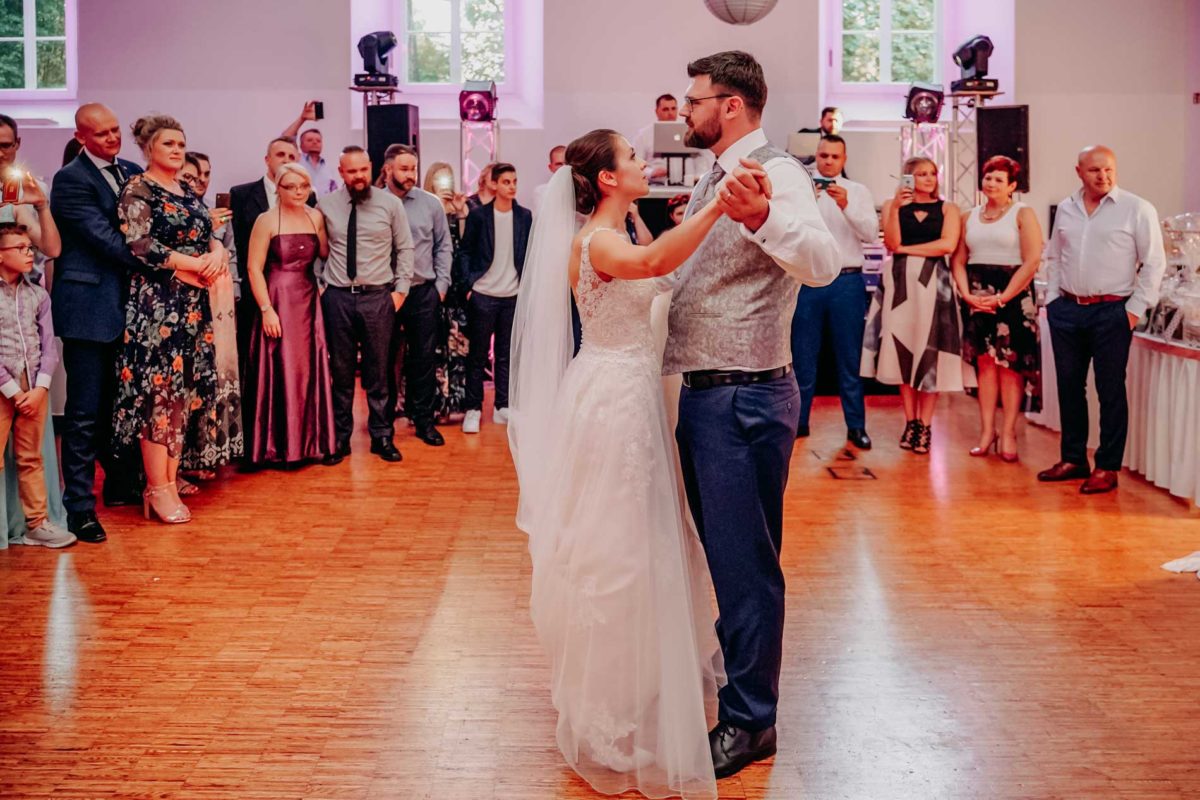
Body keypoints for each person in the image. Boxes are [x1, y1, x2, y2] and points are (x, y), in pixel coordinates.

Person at [509, 128, 744, 799]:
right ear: (607, 179)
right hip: (613, 400)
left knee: (639, 541)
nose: (644, 161)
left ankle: (634, 683)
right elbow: (656, 264)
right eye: (633, 156)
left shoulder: (613, 234)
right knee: (616, 547)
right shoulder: (601, 243)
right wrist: (718, 206)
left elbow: (659, 266)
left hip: (628, 392)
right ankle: (606, 703)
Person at [666, 51, 840, 779]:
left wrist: (765, 214)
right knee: (725, 558)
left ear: (730, 104)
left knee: (747, 567)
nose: (686, 108)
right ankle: (737, 682)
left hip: (743, 393)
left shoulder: (781, 173)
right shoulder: (714, 172)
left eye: (695, 98)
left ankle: (750, 722)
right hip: (708, 391)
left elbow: (824, 260)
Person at [112, 115, 229, 525]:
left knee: (184, 394)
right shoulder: (138, 188)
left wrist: (216, 252)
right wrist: (190, 263)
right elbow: (139, 243)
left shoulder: (186, 189)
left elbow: (207, 229)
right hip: (157, 304)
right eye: (169, 145)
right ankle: (156, 486)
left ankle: (171, 479)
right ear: (148, 149)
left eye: (181, 143)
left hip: (194, 304)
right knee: (158, 396)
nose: (178, 150)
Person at [1037, 145, 1166, 494]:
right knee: (1068, 387)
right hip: (1067, 310)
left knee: (1110, 390)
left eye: (1109, 169)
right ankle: (1074, 458)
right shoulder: (1066, 207)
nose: (1103, 176)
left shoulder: (1137, 209)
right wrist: (1051, 301)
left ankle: (1107, 466)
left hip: (1112, 311)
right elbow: (1056, 257)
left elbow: (1154, 263)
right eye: (1094, 170)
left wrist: (1134, 310)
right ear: (1079, 172)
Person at [50, 103, 146, 543]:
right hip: (88, 304)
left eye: (115, 130)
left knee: (119, 403)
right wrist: (160, 259)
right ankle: (80, 509)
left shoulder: (131, 170)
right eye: (102, 133)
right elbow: (103, 238)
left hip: (130, 305)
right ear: (82, 136)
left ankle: (122, 483)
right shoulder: (69, 180)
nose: (113, 139)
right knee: (84, 413)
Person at [317, 146, 414, 465]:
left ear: (371, 168)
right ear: (341, 172)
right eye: (351, 171)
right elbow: (318, 249)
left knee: (379, 370)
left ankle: (382, 435)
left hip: (378, 297)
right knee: (340, 370)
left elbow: (405, 248)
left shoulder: (390, 204)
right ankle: (340, 438)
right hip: (338, 298)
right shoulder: (326, 205)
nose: (358, 176)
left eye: (362, 170)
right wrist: (322, 287)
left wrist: (399, 292)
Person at [863, 156, 963, 455]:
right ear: (908, 177)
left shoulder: (949, 208)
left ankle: (927, 424)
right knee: (902, 350)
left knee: (929, 353)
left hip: (934, 284)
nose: (929, 178)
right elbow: (891, 242)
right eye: (921, 174)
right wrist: (894, 205)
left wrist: (907, 249)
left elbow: (947, 245)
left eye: (932, 173)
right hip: (900, 284)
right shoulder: (893, 205)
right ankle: (911, 422)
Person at [951, 155, 1044, 462]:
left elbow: (1032, 260)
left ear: (1012, 186)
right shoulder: (969, 216)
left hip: (1013, 296)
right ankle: (986, 431)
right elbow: (959, 260)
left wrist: (1004, 297)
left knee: (1010, 367)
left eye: (999, 179)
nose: (991, 183)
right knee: (985, 366)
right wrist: (966, 294)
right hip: (978, 296)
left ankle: (1008, 433)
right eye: (988, 177)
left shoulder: (1023, 213)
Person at [243, 163, 336, 467]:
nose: (298, 192)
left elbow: (324, 254)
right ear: (279, 189)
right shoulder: (266, 220)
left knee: (307, 368)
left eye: (303, 186)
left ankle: (310, 444)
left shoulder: (315, 216)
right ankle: (276, 447)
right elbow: (253, 268)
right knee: (279, 366)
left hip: (308, 298)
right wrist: (266, 309)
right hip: (277, 297)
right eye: (291, 187)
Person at [791, 135, 878, 448]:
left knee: (849, 359)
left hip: (847, 282)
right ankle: (798, 424)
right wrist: (810, 203)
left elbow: (870, 233)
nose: (828, 161)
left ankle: (856, 426)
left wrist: (846, 206)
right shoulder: (801, 190)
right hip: (808, 281)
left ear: (844, 159)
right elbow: (790, 231)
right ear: (816, 156)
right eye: (823, 155)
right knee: (802, 358)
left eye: (834, 157)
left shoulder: (858, 191)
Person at [0, 223, 74, 548]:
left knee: (31, 457)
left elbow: (48, 345)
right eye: (20, 247)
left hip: (33, 387)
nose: (29, 253)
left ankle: (37, 523)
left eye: (30, 247)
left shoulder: (38, 294)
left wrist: (40, 388)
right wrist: (12, 391)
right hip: (6, 388)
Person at [230, 137, 312, 416]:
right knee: (261, 367)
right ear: (267, 159)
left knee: (299, 367)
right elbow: (240, 249)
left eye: (292, 155)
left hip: (301, 299)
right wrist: (261, 303)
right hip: (259, 295)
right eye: (280, 154)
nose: (286, 159)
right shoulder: (242, 195)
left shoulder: (310, 204)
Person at [177, 152, 242, 485]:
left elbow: (229, 255)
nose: (200, 181)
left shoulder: (215, 216)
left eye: (205, 174)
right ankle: (176, 467)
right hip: (182, 298)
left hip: (216, 301)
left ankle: (205, 454)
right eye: (191, 176)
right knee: (184, 384)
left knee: (210, 381)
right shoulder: (177, 213)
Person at [381, 144, 452, 447]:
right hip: (384, 292)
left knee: (423, 359)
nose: (411, 174)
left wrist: (441, 287)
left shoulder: (430, 204)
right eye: (404, 168)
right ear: (388, 170)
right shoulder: (374, 203)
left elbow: (443, 245)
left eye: (413, 168)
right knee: (382, 358)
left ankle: (423, 420)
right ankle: (382, 425)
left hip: (423, 291)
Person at [460, 163, 531, 433]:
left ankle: (503, 405)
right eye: (506, 182)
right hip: (484, 294)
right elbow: (465, 252)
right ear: (494, 185)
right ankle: (473, 408)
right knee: (477, 355)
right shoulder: (479, 216)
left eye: (514, 181)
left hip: (511, 296)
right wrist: (469, 285)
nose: (512, 186)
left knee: (505, 354)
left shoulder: (524, 216)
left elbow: (527, 253)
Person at [423, 161, 470, 419]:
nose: (445, 186)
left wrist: (461, 213)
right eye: (440, 181)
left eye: (448, 181)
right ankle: (432, 404)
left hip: (455, 291)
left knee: (457, 346)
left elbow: (465, 247)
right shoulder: (424, 209)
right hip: (431, 286)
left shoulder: (458, 210)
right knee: (431, 348)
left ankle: (455, 402)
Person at [0, 114, 62, 263]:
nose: (0, 154)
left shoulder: (37, 190)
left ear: (17, 143)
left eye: (5, 145)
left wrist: (42, 206)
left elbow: (51, 252)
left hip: (28, 281)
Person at [281, 102, 340, 196]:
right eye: (309, 140)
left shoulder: (328, 167)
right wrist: (302, 119)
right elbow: (284, 140)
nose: (315, 142)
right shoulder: (295, 159)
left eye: (318, 140)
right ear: (301, 145)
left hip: (323, 209)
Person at [531, 144, 566, 214]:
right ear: (551, 167)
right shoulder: (541, 192)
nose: (564, 167)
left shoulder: (583, 191)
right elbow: (540, 219)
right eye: (559, 164)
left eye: (567, 163)